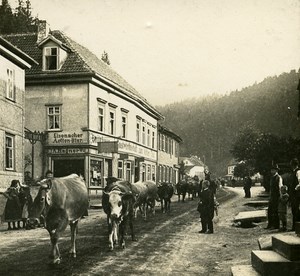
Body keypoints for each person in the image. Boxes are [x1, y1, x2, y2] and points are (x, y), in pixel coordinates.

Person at [265, 164, 282, 230]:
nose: (271, 171)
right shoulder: (272, 177)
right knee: (270, 210)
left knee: (275, 211)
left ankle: (276, 225)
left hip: (276, 196)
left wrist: (280, 196)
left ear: (276, 170)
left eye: (273, 170)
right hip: (272, 196)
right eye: (271, 170)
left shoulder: (278, 177)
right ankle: (270, 224)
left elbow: (280, 187)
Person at [288, 158, 300, 231]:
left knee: (296, 210)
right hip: (293, 194)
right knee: (294, 209)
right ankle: (294, 226)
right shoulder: (293, 172)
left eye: (292, 165)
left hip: (297, 194)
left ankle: (296, 227)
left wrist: (295, 189)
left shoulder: (298, 172)